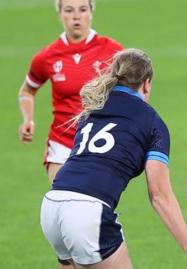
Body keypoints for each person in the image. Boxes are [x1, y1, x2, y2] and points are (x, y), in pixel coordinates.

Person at [40, 48, 187, 269]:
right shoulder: (152, 121)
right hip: (88, 212)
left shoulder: (91, 112)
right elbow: (160, 195)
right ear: (147, 83)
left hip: (53, 206)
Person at [18, 0, 123, 184]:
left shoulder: (113, 51)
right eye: (69, 10)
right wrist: (28, 119)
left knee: (96, 209)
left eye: (82, 9)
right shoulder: (47, 57)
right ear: (59, 14)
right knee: (62, 203)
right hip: (61, 144)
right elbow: (27, 91)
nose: (76, 16)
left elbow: (131, 92)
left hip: (100, 142)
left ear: (91, 12)